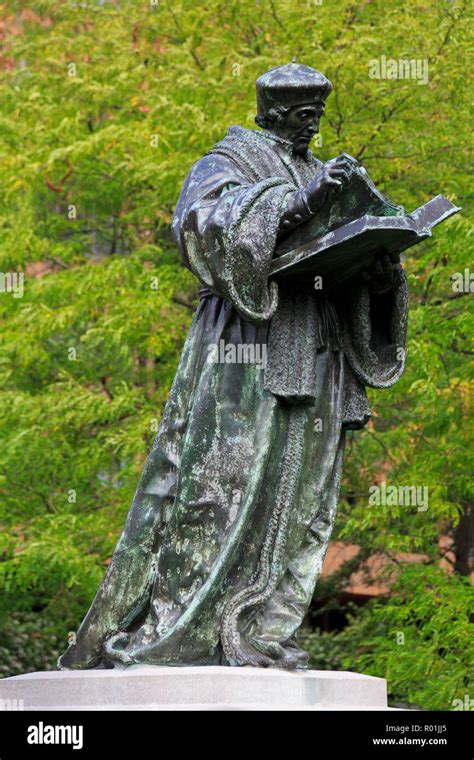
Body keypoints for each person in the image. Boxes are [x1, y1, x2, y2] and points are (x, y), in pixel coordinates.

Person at [58, 63, 407, 671]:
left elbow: (337, 259)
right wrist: (299, 205)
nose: (313, 126)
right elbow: (204, 227)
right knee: (222, 489)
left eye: (319, 116)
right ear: (271, 112)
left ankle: (264, 629)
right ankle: (180, 629)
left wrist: (377, 269)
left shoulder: (317, 169)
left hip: (319, 350)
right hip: (246, 350)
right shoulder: (225, 162)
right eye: (304, 116)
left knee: (303, 495)